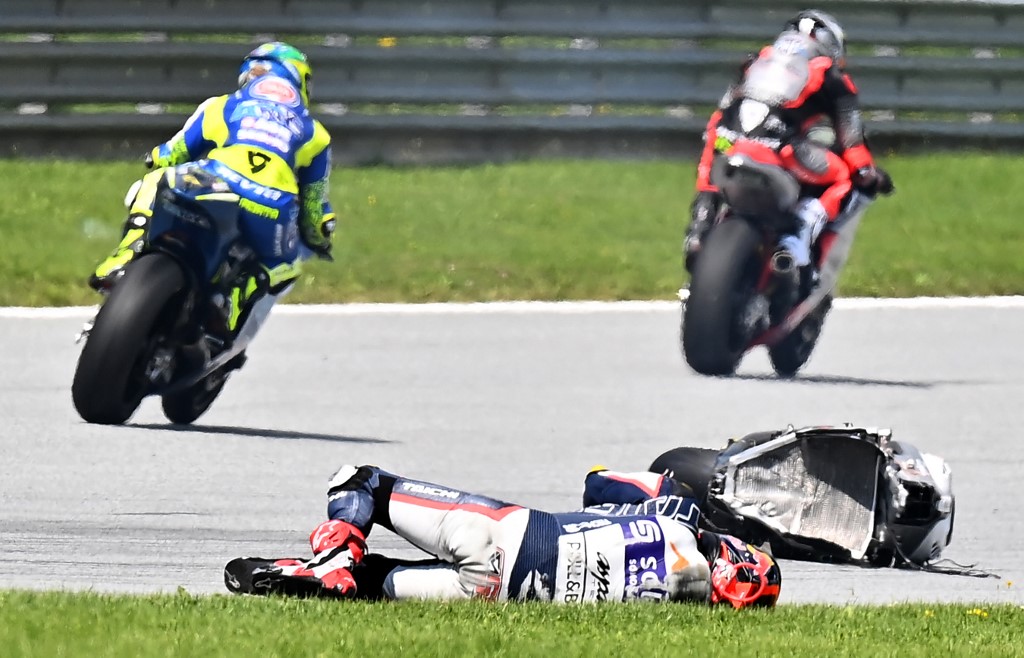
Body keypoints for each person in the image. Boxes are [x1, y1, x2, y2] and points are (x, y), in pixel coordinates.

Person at [224, 464, 782, 608]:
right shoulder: (684, 613)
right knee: (372, 586)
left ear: (735, 552)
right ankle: (325, 576)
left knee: (361, 480)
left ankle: (333, 557)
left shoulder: (680, 514)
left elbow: (597, 483)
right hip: (498, 596)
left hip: (507, 536)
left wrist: (663, 486)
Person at [89, 42, 335, 334]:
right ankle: (231, 307)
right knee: (285, 265)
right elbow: (313, 207)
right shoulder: (315, 133)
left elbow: (173, 153)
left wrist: (154, 157)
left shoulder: (223, 105)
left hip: (216, 183)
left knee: (155, 181)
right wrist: (319, 239)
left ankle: (126, 255)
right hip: (270, 207)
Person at [682, 9, 893, 275]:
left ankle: (699, 226)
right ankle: (796, 237)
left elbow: (722, 111)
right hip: (781, 149)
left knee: (711, 157)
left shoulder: (756, 60)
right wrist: (867, 173)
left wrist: (721, 137)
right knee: (843, 177)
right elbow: (851, 140)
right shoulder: (831, 74)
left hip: (728, 140)